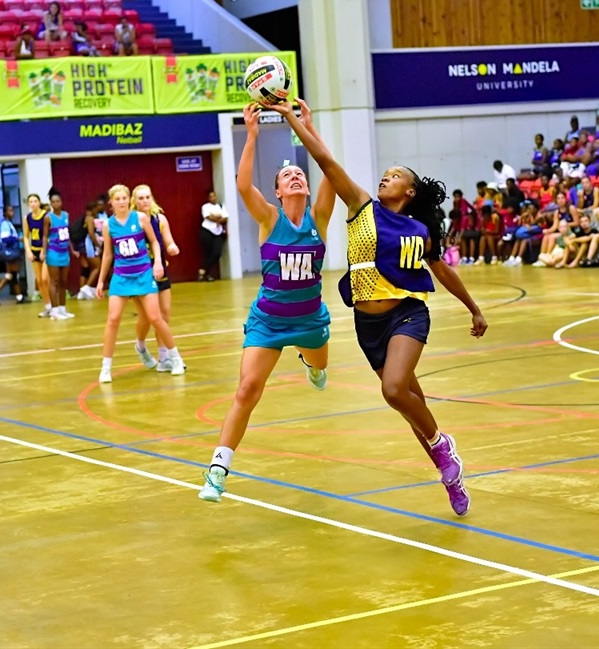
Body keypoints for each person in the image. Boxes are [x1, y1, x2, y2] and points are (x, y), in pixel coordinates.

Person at [278, 97, 485, 516]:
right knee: (412, 407)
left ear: (410, 191)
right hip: (367, 325)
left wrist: (474, 308)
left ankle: (444, 447)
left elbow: (441, 270)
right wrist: (297, 122)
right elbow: (325, 161)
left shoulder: (420, 229)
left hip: (407, 315)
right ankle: (451, 476)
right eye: (385, 174)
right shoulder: (361, 207)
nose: (385, 177)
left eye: (395, 175)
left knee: (393, 390)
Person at [197, 102, 336, 503]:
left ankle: (311, 363)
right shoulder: (270, 219)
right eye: (287, 176)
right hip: (269, 323)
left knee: (321, 366)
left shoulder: (319, 217)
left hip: (309, 320)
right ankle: (217, 471)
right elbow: (243, 186)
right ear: (277, 191)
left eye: (299, 174)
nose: (295, 176)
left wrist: (309, 128)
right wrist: (251, 134)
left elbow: (329, 168)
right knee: (246, 391)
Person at [96, 184, 186, 381]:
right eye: (117, 199)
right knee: (113, 319)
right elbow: (108, 254)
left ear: (128, 200)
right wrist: (101, 281)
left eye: (124, 198)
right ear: (111, 202)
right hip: (121, 276)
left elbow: (154, 242)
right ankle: (105, 368)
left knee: (156, 317)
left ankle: (175, 358)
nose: (121, 202)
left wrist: (158, 262)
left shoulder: (140, 218)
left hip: (143, 274)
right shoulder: (108, 225)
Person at [131, 184, 181, 372]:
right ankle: (140, 345)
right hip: (139, 272)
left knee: (164, 314)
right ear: (134, 201)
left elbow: (168, 241)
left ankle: (163, 358)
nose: (145, 201)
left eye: (147, 197)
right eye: (141, 198)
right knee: (147, 317)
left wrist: (172, 247)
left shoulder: (159, 219)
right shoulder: (131, 221)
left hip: (159, 269)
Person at [41, 190, 78, 320]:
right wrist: (43, 252)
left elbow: (67, 235)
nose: (56, 204)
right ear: (51, 203)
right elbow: (45, 236)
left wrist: (72, 250)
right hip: (53, 252)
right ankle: (54, 311)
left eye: (58, 201)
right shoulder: (48, 218)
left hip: (64, 252)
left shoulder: (66, 215)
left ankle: (62, 309)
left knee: (64, 281)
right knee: (54, 281)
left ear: (61, 202)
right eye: (53, 202)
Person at [23, 193, 52, 316]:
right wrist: (28, 251)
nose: (33, 204)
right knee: (39, 281)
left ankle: (55, 305)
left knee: (45, 279)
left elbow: (50, 234)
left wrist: (43, 250)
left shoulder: (46, 216)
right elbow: (25, 236)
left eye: (35, 201)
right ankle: (47, 306)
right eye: (31, 202)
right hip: (34, 250)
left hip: (46, 249)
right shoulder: (27, 218)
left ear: (39, 202)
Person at [0, 205, 25, 305]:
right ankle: (18, 297)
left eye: (12, 210)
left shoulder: (8, 223)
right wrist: (18, 239)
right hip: (10, 252)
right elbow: (5, 238)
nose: (12, 212)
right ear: (5, 213)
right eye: (9, 211)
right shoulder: (5, 224)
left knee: (10, 274)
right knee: (13, 274)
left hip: (9, 252)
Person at [198, 190, 227, 281]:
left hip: (218, 232)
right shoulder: (205, 207)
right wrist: (218, 218)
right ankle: (208, 274)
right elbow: (208, 217)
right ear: (208, 198)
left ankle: (203, 270)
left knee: (217, 252)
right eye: (211, 197)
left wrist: (216, 218)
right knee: (208, 253)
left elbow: (225, 218)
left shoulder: (221, 206)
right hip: (207, 231)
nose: (213, 198)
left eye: (214, 196)